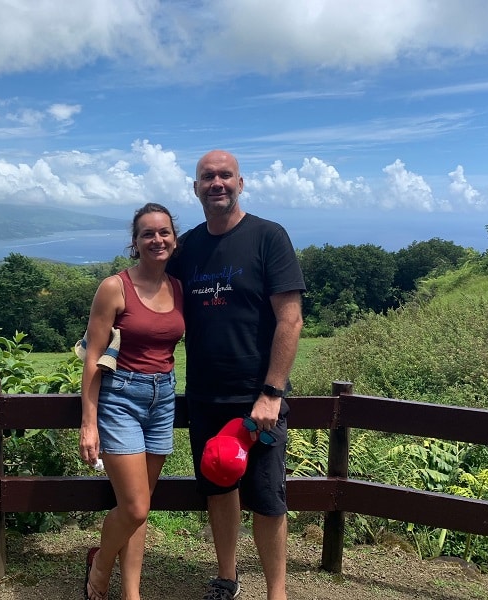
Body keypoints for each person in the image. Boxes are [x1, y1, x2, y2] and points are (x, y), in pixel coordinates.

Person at [167, 150, 305, 600]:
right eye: (208, 177)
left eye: (226, 175)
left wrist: (271, 392)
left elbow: (291, 320)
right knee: (218, 489)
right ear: (196, 188)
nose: (217, 183)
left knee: (267, 497)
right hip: (206, 395)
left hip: (257, 400)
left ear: (241, 183)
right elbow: (149, 296)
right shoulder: (186, 249)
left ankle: (276, 592)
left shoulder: (268, 237)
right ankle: (227, 578)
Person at [79, 202, 185, 600]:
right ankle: (100, 568)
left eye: (164, 232)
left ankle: (132, 593)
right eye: (147, 234)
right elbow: (92, 355)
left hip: (163, 398)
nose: (157, 239)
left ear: (174, 239)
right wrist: (89, 423)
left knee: (140, 505)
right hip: (121, 397)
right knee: (136, 507)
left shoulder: (178, 287)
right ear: (135, 242)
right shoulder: (115, 287)